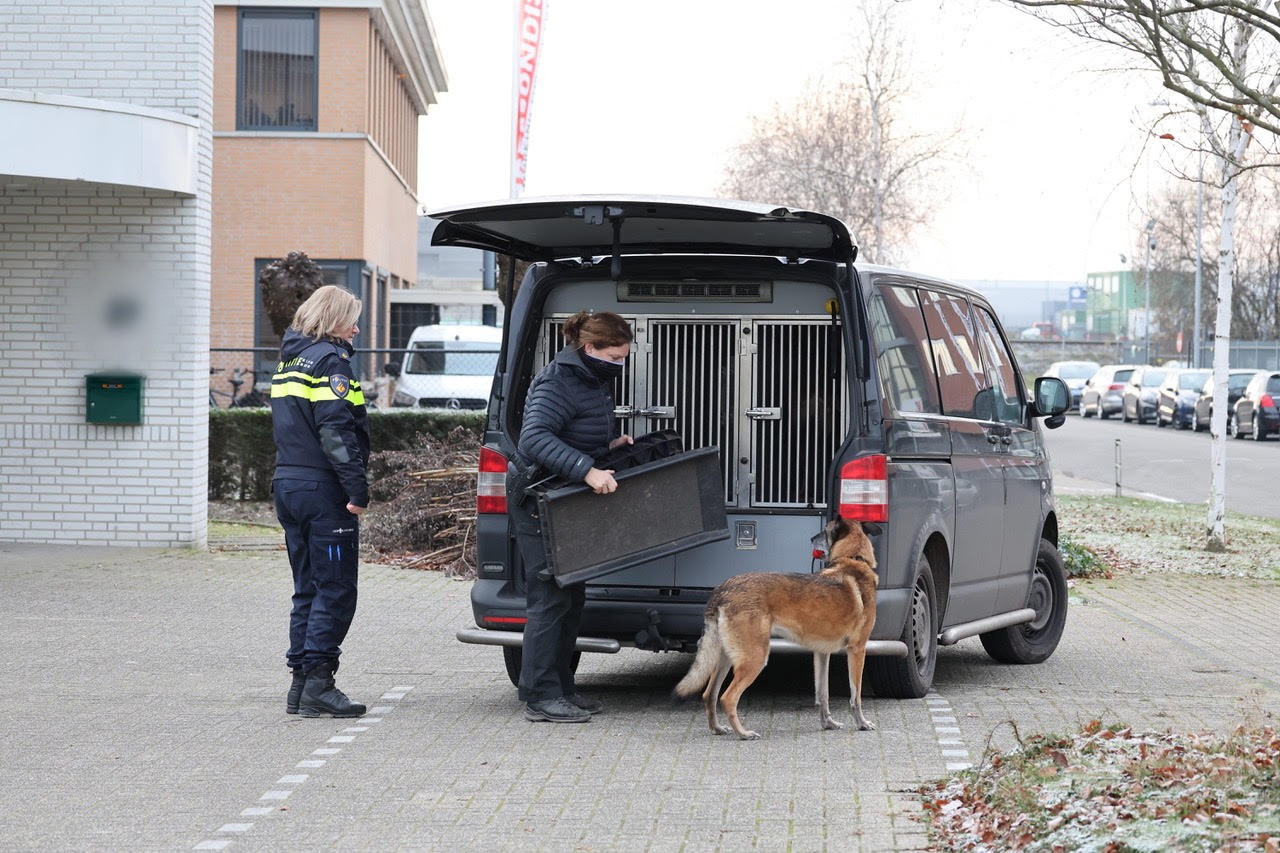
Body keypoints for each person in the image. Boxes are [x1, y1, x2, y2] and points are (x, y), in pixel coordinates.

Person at [510, 310, 634, 723]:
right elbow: (534, 437)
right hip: (538, 497)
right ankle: (541, 696)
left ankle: (561, 686)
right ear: (589, 348)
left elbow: (572, 432)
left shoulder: (591, 378)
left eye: (624, 357)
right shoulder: (558, 380)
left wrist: (610, 445)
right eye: (615, 357)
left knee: (571, 594)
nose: (620, 364)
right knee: (550, 595)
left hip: (563, 495)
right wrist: (587, 469)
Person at [270, 285, 370, 718]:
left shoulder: (290, 360)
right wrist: (357, 487)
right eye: (352, 319)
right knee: (335, 587)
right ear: (333, 320)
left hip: (289, 486)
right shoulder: (331, 362)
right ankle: (320, 684)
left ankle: (300, 685)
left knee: (307, 587)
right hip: (323, 492)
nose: (357, 328)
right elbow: (335, 431)